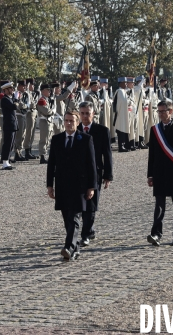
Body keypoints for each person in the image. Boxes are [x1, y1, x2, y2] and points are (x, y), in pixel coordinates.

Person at [46, 110, 97, 261]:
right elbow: (51, 165)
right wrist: (50, 185)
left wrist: (92, 187)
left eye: (72, 121)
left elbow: (92, 165)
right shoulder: (57, 139)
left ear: (77, 122)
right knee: (66, 219)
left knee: (74, 218)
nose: (69, 123)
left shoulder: (86, 139)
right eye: (66, 121)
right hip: (62, 186)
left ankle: (68, 247)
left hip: (79, 187)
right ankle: (75, 248)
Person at [146, 100, 173, 247]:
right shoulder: (155, 130)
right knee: (159, 205)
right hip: (159, 173)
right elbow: (151, 154)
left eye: (163, 111)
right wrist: (150, 175)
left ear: (170, 111)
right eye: (158, 111)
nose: (160, 114)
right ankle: (156, 234)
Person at [77, 102, 113, 247]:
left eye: (88, 113)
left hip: (95, 173)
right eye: (82, 113)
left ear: (93, 114)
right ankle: (89, 230)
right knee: (80, 205)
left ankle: (85, 234)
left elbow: (107, 154)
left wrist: (108, 175)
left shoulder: (102, 131)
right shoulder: (75, 128)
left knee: (91, 204)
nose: (85, 116)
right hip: (78, 174)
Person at [0, 81, 18, 170]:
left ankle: (7, 160)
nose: (12, 90)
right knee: (7, 143)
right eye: (10, 88)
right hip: (8, 124)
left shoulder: (10, 98)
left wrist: (15, 99)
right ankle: (4, 162)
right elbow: (14, 107)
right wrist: (16, 99)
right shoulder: (5, 99)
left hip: (12, 124)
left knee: (11, 143)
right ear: (6, 90)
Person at [37, 83, 56, 165]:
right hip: (44, 121)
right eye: (47, 90)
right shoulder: (41, 100)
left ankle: (45, 155)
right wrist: (53, 111)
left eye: (49, 90)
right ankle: (42, 156)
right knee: (44, 140)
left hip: (49, 121)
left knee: (48, 139)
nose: (49, 92)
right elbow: (46, 111)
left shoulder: (47, 100)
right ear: (43, 91)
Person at [112, 77, 130, 152]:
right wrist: (117, 114)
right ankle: (121, 146)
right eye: (124, 82)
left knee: (124, 129)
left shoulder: (124, 91)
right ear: (120, 83)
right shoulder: (119, 91)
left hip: (124, 114)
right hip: (119, 115)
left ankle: (125, 145)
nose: (126, 84)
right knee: (120, 130)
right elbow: (116, 104)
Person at [13, 80, 29, 161]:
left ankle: (20, 151)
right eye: (23, 86)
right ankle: (16, 152)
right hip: (18, 116)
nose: (25, 87)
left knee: (23, 135)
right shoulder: (16, 94)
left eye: (25, 86)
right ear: (19, 86)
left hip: (24, 115)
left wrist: (24, 106)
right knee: (18, 136)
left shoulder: (25, 95)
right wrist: (24, 105)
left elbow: (28, 105)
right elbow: (18, 104)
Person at [23, 78, 39, 160]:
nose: (33, 86)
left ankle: (30, 150)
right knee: (28, 133)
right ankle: (26, 151)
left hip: (34, 115)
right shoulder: (26, 94)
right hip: (29, 115)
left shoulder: (32, 94)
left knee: (32, 134)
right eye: (32, 85)